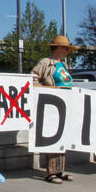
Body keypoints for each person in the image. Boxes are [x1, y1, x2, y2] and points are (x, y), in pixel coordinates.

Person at [32, 36, 75, 183]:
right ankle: (51, 172)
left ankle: (60, 169)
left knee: (62, 136)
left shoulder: (63, 65)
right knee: (52, 136)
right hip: (51, 104)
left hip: (64, 103)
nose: (66, 51)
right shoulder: (45, 63)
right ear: (57, 48)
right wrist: (45, 89)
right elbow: (33, 78)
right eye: (64, 48)